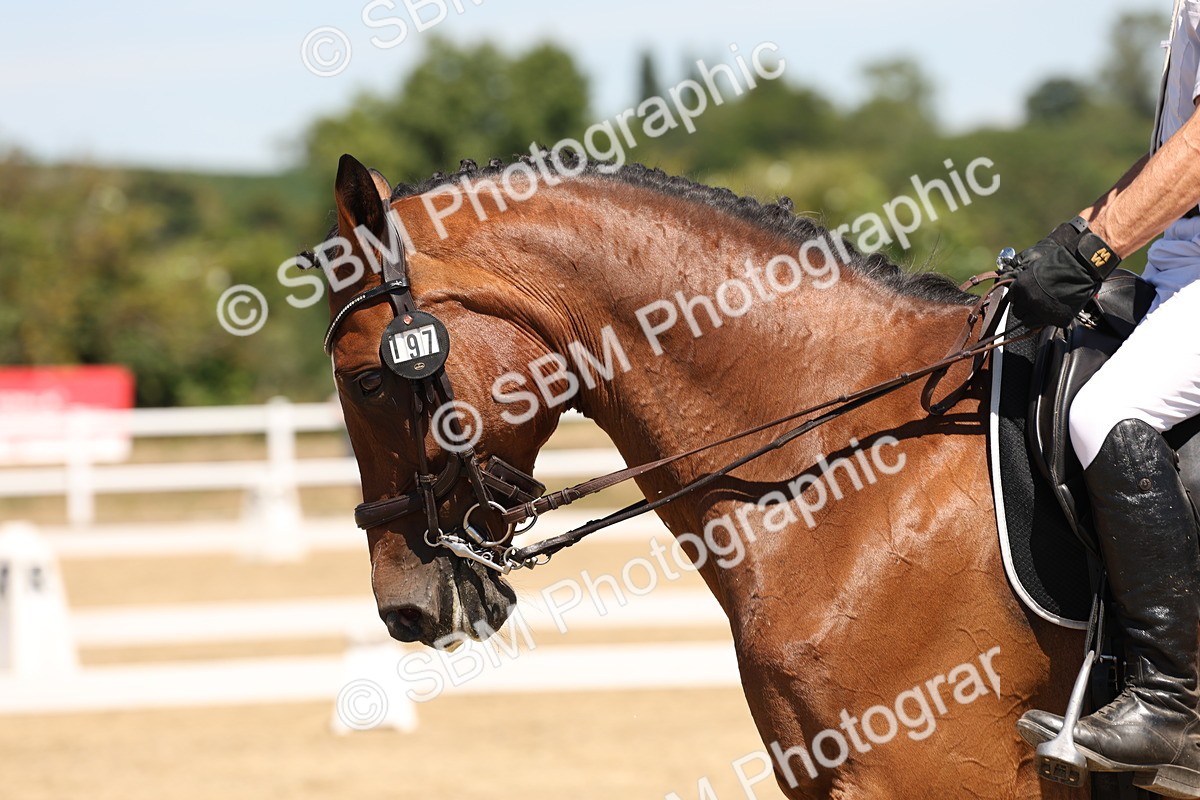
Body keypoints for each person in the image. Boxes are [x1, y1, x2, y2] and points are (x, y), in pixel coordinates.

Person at [1009, 1, 1200, 793]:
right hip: (1178, 265)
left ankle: (1172, 707)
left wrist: (1095, 247)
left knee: (1108, 410)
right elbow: (1168, 154)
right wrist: (1075, 237)